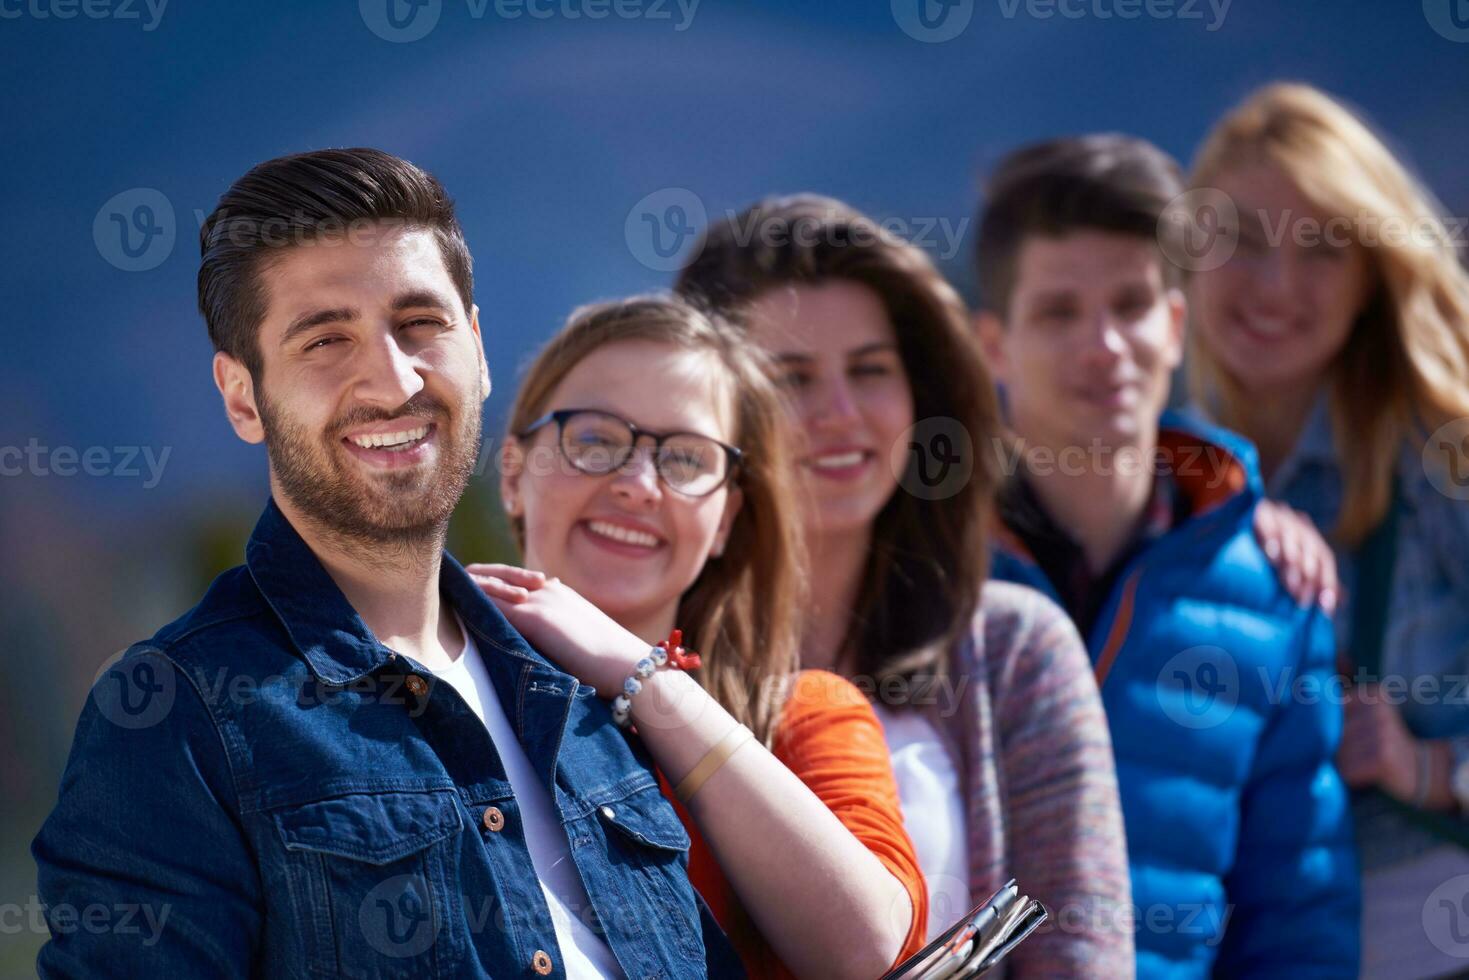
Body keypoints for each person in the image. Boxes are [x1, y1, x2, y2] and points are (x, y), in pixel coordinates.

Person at [31, 149, 742, 979]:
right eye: (326, 339)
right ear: (240, 397)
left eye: (420, 325)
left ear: (475, 349)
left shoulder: (569, 691)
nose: (392, 378)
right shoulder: (176, 720)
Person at [675, 195, 1136, 976]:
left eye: (870, 370)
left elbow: (1081, 956)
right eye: (790, 379)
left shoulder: (1013, 649)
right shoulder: (636, 658)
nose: (842, 413)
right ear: (702, 412)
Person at [972, 133, 1360, 978]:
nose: (1104, 345)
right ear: (993, 346)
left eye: (1131, 304)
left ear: (1175, 325)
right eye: (1059, 312)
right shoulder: (923, 567)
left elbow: (1296, 912)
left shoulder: (1275, 589)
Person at [468, 294, 929, 978]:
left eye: (685, 459)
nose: (636, 484)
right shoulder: (414, 689)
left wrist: (643, 681)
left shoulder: (801, 718)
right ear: (512, 473)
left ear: (724, 519)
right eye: (593, 438)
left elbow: (872, 955)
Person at [1186, 82, 1469, 979]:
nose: (1274, 284)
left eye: (1320, 249)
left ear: (1372, 276)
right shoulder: (1160, 475)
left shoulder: (1440, 455)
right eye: (1239, 240)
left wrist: (1425, 768)